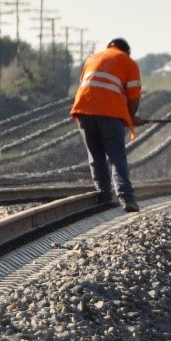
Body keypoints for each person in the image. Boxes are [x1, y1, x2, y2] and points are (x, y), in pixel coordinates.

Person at [70, 37, 141, 212]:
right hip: (110, 114)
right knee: (116, 157)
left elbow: (89, 86)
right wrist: (130, 117)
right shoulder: (128, 62)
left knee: (96, 156)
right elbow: (134, 96)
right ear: (127, 51)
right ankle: (126, 198)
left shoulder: (93, 58)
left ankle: (103, 196)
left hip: (83, 110)